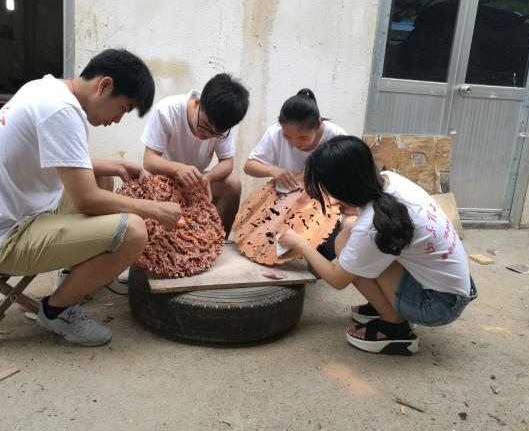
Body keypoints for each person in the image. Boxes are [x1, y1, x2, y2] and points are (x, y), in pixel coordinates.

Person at [0, 49, 182, 346]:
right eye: (123, 108)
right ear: (104, 85)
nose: (117, 119)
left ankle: (73, 280)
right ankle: (56, 311)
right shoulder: (62, 111)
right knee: (134, 232)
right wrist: (155, 209)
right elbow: (87, 200)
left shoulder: (44, 88)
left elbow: (55, 160)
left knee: (102, 175)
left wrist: (113, 165)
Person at [277, 135, 477, 355]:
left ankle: (394, 328)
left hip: (437, 306)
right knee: (351, 230)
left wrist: (300, 243)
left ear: (342, 188)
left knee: (347, 247)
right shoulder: (390, 180)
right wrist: (354, 211)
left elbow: (337, 279)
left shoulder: (372, 226)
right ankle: (388, 303)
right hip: (453, 288)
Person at [140, 73, 249, 236]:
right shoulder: (167, 111)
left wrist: (207, 178)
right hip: (162, 176)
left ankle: (216, 241)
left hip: (195, 179)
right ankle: (151, 240)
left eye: (215, 134)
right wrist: (177, 169)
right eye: (204, 126)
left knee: (232, 184)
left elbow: (227, 162)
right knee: (143, 179)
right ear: (197, 102)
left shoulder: (224, 124)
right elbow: (149, 160)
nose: (207, 135)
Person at [244, 88, 346, 260]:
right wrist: (272, 170)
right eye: (287, 137)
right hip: (284, 201)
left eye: (302, 138)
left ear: (318, 124)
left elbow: (347, 179)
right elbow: (249, 166)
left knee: (325, 251)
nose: (294, 143)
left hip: (323, 204)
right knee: (261, 244)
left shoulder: (337, 137)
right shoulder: (275, 133)